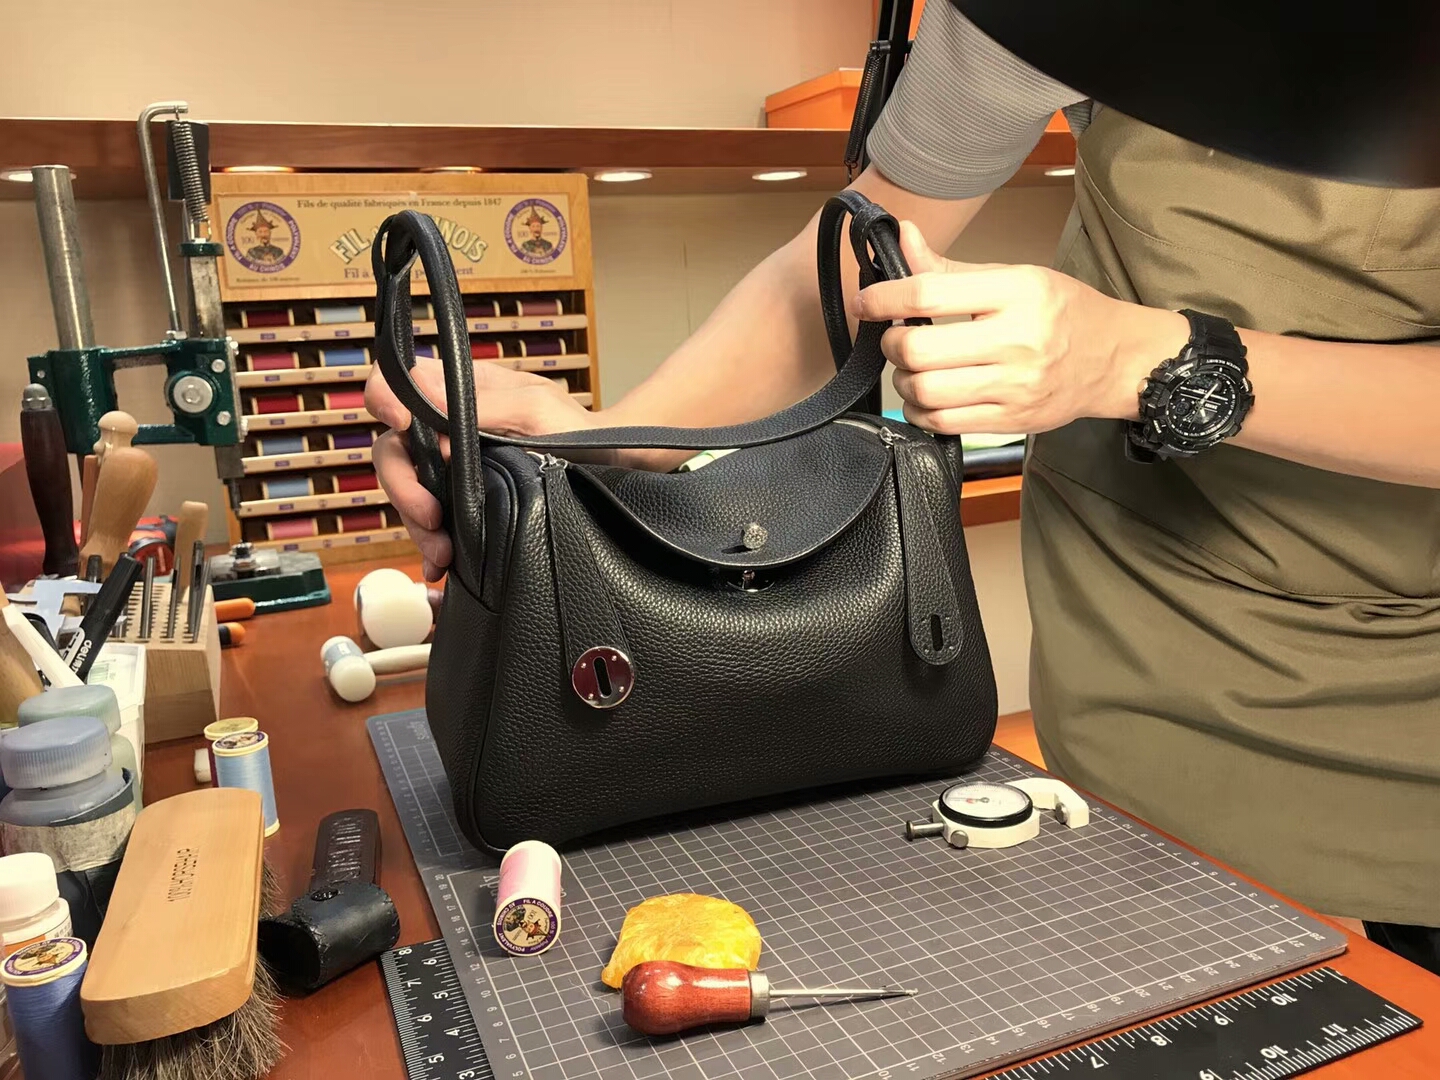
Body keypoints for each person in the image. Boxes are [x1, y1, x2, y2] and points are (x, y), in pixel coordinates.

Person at [368, 3, 1440, 971]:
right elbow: (839, 269)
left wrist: (1145, 361)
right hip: (1130, 675)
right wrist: (606, 448)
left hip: (1404, 731)